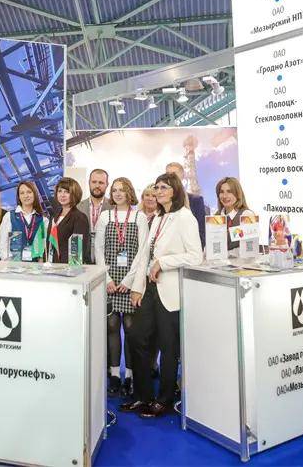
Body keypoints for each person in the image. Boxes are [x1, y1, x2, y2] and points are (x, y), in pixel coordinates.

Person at [121, 172, 203, 419]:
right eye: (156, 187)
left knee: (168, 348)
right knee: (136, 337)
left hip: (170, 292)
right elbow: (144, 255)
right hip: (150, 288)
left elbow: (195, 256)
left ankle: (164, 400)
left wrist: (163, 262)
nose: (158, 191)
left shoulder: (185, 217)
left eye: (164, 187)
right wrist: (137, 286)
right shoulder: (158, 217)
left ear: (175, 190)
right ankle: (142, 396)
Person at [93, 177, 148, 398]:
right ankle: (115, 374)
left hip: (130, 280)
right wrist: (106, 278)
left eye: (122, 190)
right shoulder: (105, 216)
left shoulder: (139, 217)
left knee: (131, 328)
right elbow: (98, 249)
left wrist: (129, 281)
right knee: (112, 325)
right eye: (114, 190)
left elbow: (143, 252)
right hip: (109, 280)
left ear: (129, 193)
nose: (117, 193)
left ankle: (130, 376)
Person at [0, 180, 47, 261]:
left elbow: (44, 245)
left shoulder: (43, 220)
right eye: (22, 193)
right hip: (14, 265)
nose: (26, 195)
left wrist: (41, 262)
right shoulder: (9, 216)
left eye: (29, 192)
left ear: (34, 194)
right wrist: (8, 262)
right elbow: (3, 244)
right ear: (19, 197)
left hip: (35, 266)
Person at [48, 177, 92, 264]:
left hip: (67, 268)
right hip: (52, 265)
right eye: (60, 191)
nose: (62, 195)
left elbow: (77, 253)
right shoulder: (55, 216)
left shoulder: (79, 217)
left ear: (74, 194)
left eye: (67, 192)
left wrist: (71, 270)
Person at [165, 162, 207, 247]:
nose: (170, 177)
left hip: (190, 251)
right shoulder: (162, 201)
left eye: (174, 174)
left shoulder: (196, 200)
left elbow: (201, 231)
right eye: (167, 174)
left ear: (182, 176)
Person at [216, 176, 252, 250]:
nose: (225, 196)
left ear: (237, 194)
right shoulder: (216, 217)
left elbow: (249, 247)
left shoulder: (247, 215)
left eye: (229, 192)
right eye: (221, 192)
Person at [77, 168, 111, 243]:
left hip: (105, 249)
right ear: (89, 183)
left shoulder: (113, 207)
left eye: (101, 183)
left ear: (107, 185)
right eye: (94, 182)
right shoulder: (78, 207)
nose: (97, 185)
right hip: (84, 249)